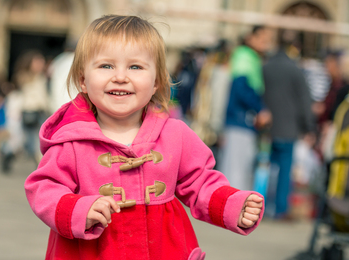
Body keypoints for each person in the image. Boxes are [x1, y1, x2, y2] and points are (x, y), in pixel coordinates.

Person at [24, 15, 264, 260]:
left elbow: (200, 181)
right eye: (106, 66)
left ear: (157, 81)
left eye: (135, 67)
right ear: (83, 80)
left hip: (164, 249)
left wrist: (232, 204)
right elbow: (44, 188)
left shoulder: (175, 135)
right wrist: (77, 210)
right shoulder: (71, 141)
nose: (120, 76)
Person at [262, 30, 316, 219]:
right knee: (285, 171)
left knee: (267, 169)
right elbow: (304, 101)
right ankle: (280, 210)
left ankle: (262, 207)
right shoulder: (295, 69)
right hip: (288, 128)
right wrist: (309, 127)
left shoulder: (266, 66)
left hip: (267, 128)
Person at [219, 26, 272, 191]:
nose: (266, 43)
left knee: (239, 166)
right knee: (236, 168)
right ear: (251, 38)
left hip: (243, 121)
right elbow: (241, 88)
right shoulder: (244, 57)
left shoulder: (251, 58)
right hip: (239, 119)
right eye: (262, 39)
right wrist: (260, 109)